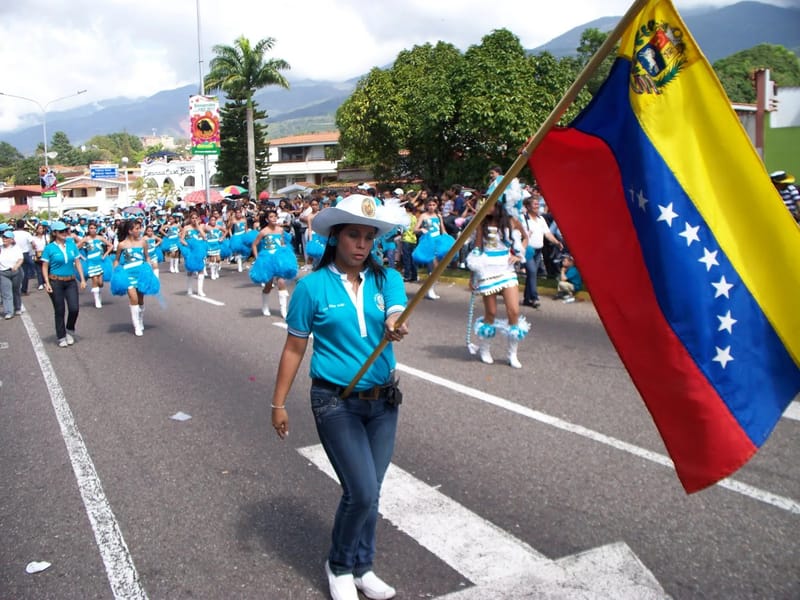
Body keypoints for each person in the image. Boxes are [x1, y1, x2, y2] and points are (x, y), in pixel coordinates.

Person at [270, 193, 409, 600]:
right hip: (335, 402)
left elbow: (395, 312)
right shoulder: (311, 287)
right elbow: (294, 348)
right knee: (361, 490)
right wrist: (277, 404)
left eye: (369, 236)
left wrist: (396, 323)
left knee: (373, 490)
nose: (362, 244)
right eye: (353, 235)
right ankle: (339, 565)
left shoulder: (388, 280)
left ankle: (364, 566)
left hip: (383, 402)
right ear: (335, 237)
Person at [466, 201, 529, 368]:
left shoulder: (511, 220)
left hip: (506, 269)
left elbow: (525, 238)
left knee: (514, 311)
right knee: (491, 312)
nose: (484, 207)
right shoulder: (482, 222)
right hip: (487, 271)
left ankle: (512, 354)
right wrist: (473, 275)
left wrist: (519, 254)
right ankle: (485, 349)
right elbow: (477, 249)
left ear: (498, 204)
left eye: (489, 204)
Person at [41, 221, 86, 347]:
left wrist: (82, 279)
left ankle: (70, 331)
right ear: (54, 233)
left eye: (66, 230)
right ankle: (61, 336)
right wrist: (47, 282)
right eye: (61, 231)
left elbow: (77, 262)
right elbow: (45, 266)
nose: (65, 233)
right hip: (56, 282)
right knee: (60, 310)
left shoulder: (72, 245)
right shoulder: (49, 248)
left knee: (74, 308)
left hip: (71, 281)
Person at [112, 220, 159, 336]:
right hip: (128, 275)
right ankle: (136, 325)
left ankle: (140, 319)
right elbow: (117, 260)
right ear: (130, 231)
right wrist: (116, 272)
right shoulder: (122, 245)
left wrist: (150, 266)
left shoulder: (143, 243)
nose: (139, 231)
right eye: (137, 228)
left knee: (141, 300)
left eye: (140, 228)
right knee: (133, 299)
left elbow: (147, 257)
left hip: (141, 274)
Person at [250, 209, 298, 318]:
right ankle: (265, 306)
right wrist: (258, 258)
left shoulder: (280, 230)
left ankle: (283, 310)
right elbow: (254, 245)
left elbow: (282, 242)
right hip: (267, 259)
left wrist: (284, 250)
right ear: (267, 219)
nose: (274, 218)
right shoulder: (263, 231)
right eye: (271, 217)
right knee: (268, 285)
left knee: (281, 282)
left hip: (279, 258)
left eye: (275, 216)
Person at [520, 195, 563, 308]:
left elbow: (548, 234)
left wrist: (556, 242)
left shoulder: (541, 219)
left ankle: (526, 299)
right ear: (528, 207)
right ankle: (534, 297)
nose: (537, 206)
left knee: (531, 274)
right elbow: (519, 233)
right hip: (528, 250)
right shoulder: (523, 219)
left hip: (538, 251)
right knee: (533, 272)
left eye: (538, 204)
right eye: (535, 204)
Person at [79, 220, 112, 308]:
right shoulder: (85, 239)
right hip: (91, 262)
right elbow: (75, 248)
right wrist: (82, 257)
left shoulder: (100, 238)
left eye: (94, 228)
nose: (93, 230)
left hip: (100, 261)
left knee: (100, 282)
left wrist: (105, 255)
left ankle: (98, 293)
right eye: (91, 228)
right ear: (88, 229)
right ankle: (97, 300)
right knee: (94, 280)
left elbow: (110, 245)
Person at [180, 212, 209, 296]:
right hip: (190, 250)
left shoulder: (200, 227)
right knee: (190, 270)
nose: (194, 220)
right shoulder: (186, 227)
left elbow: (204, 237)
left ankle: (200, 290)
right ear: (190, 219)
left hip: (199, 250)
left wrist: (198, 227)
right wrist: (187, 244)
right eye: (192, 218)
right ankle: (189, 289)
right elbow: (181, 239)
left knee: (201, 269)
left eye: (196, 218)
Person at [0, 230, 24, 319]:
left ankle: (17, 307)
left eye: (6, 238)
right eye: (3, 237)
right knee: (6, 293)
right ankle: (8, 312)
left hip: (15, 272)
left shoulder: (16, 248)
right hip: (3, 273)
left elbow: (21, 259)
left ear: (11, 239)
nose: (4, 239)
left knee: (16, 290)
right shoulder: (0, 248)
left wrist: (16, 266)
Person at [13, 221, 35, 295]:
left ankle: (16, 289)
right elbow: (33, 243)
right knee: (25, 272)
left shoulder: (13, 233)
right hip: (25, 254)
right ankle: (24, 290)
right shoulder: (27, 234)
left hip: (15, 254)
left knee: (15, 272)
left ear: (16, 225)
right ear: (23, 226)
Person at [31, 222, 48, 290]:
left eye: (42, 228)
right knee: (39, 270)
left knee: (46, 268)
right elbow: (32, 247)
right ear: (37, 230)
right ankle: (40, 283)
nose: (41, 230)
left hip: (45, 254)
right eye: (39, 228)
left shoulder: (46, 237)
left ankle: (45, 282)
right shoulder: (33, 238)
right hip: (37, 254)